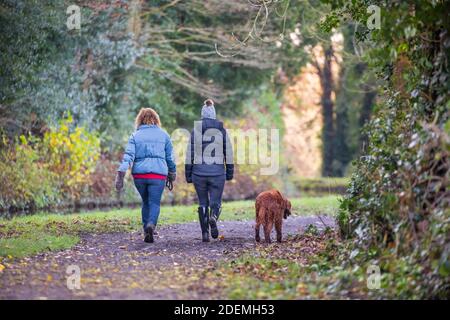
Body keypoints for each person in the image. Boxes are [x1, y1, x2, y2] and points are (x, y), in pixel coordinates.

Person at [115, 108, 176, 243]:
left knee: (146, 201)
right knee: (154, 202)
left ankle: (145, 230)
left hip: (140, 175)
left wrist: (122, 170)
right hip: (158, 175)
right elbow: (170, 157)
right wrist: (172, 172)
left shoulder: (135, 136)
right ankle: (151, 225)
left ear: (140, 120)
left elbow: (128, 156)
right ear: (156, 119)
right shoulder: (164, 135)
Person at [185, 99, 234, 242]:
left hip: (198, 173)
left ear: (202, 115)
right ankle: (213, 217)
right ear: (214, 115)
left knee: (202, 203)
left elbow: (190, 154)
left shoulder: (196, 131)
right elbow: (228, 153)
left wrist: (188, 175)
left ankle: (204, 234)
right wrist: (229, 173)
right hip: (217, 173)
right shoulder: (222, 131)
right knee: (216, 202)